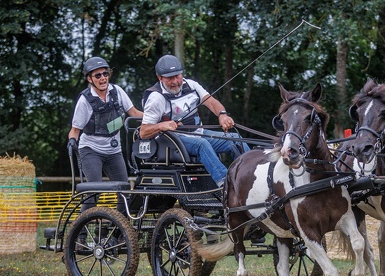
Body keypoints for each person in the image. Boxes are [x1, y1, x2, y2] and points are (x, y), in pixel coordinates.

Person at [139, 54, 249, 188]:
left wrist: (222, 115)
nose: (175, 81)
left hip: (198, 133)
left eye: (177, 76)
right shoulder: (156, 98)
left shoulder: (191, 85)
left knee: (236, 139)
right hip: (173, 141)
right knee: (201, 144)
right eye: (169, 78)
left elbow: (211, 102)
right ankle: (226, 185)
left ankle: (251, 176)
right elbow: (143, 132)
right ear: (159, 77)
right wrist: (162, 125)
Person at [67, 57, 143, 214]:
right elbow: (75, 130)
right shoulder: (85, 100)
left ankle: (117, 232)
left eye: (105, 74)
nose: (103, 78)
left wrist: (159, 118)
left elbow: (134, 113)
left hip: (113, 151)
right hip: (91, 150)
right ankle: (80, 234)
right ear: (90, 79)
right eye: (98, 75)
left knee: (124, 192)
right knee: (95, 191)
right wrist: (72, 141)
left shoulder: (117, 92)